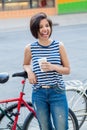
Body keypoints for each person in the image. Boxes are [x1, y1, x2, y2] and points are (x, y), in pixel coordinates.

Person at [23, 12, 70, 130]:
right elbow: (25, 64)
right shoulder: (30, 48)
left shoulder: (59, 46)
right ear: (35, 30)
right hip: (39, 93)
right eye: (41, 27)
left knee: (61, 127)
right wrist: (29, 72)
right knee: (45, 127)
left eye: (47, 26)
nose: (45, 29)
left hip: (57, 92)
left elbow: (67, 70)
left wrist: (53, 67)